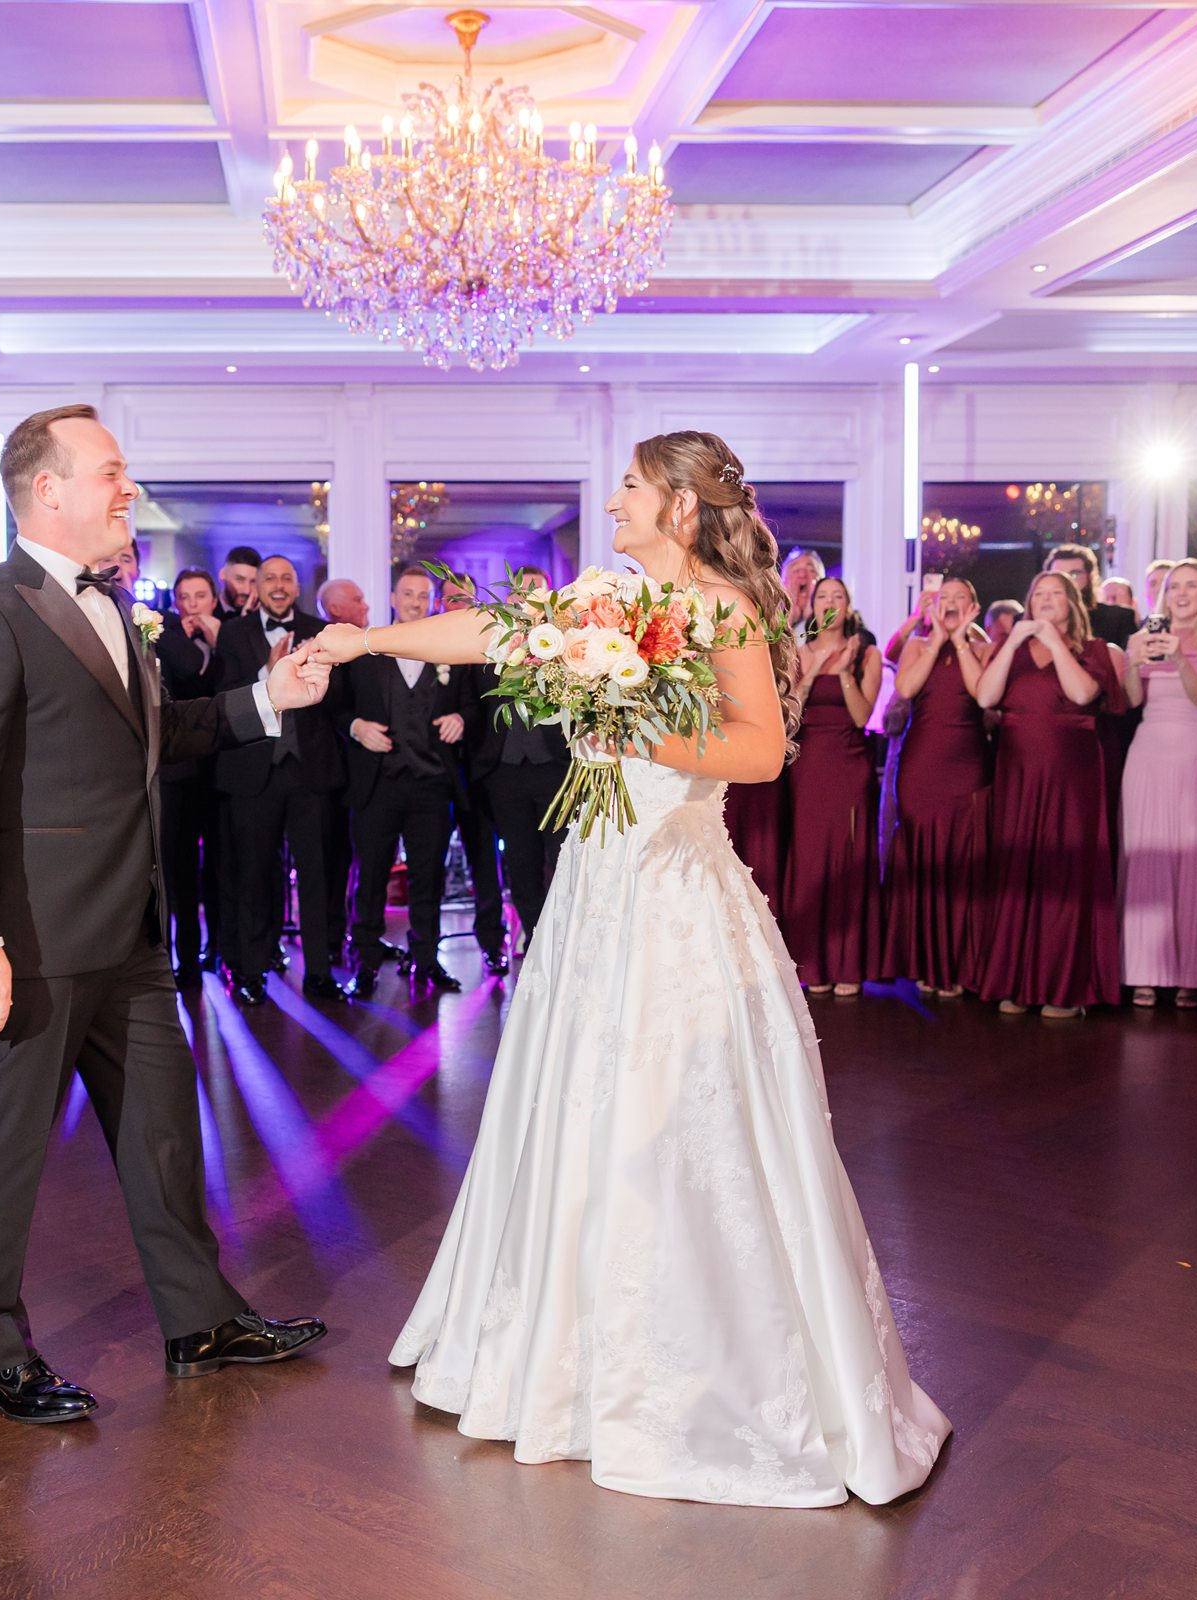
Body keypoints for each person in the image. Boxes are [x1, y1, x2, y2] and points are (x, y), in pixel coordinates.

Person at [313, 429, 948, 1508]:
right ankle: (554, 1346)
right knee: (575, 1097)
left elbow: (758, 753)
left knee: (674, 1108)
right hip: (595, 887)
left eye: (631, 487)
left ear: (682, 509)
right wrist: (364, 633)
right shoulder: (603, 596)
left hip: (676, 883)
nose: (612, 502)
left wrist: (636, 722)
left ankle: (687, 1372)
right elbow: (491, 632)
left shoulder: (726, 612)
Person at [0, 402, 331, 1427]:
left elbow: (157, 732)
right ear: (46, 488)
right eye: (111, 471)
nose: (127, 488)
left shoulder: (111, 603)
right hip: (36, 937)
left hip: (130, 929)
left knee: (161, 1130)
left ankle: (200, 1319)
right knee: (9, 1145)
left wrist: (268, 697)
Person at [972, 571, 1128, 1017]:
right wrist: (1015, 641)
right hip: (1018, 772)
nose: (1046, 600)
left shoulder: (1093, 650)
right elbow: (986, 697)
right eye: (1038, 594)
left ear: (1072, 603)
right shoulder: (1012, 649)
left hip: (1071, 774)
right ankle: (1016, 981)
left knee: (1064, 871)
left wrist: (1057, 642)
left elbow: (1081, 693)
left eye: (1056, 594)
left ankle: (1063, 987)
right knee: (1019, 869)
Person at [213, 554, 344, 1003]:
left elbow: (341, 699)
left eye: (287, 578)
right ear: (258, 587)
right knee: (253, 875)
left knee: (318, 876)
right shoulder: (233, 633)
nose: (279, 585)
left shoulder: (321, 631)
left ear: (296, 586)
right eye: (271, 578)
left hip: (310, 771)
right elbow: (222, 696)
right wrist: (269, 673)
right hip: (255, 772)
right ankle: (251, 972)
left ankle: (321, 973)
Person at [339, 566, 470, 997]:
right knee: (371, 877)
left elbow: (473, 703)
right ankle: (365, 963)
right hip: (378, 784)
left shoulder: (449, 650)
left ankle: (426, 961)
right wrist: (357, 726)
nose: (415, 601)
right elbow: (335, 708)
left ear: (431, 602)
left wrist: (460, 716)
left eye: (423, 595)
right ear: (393, 599)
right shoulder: (366, 651)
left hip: (432, 783)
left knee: (426, 877)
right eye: (407, 594)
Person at [1118, 560, 1197, 1008]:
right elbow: (1132, 700)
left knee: (1194, 860)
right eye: (1174, 587)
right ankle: (1143, 970)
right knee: (1146, 859)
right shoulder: (1143, 637)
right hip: (1147, 753)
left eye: (1192, 586)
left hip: (1194, 752)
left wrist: (1176, 656)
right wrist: (1132, 661)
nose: (1182, 594)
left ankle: (1191, 971)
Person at [880, 576, 992, 999]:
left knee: (964, 855)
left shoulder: (982, 647)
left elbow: (982, 695)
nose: (951, 603)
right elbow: (906, 688)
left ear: (973, 607)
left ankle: (963, 962)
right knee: (923, 853)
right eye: (945, 598)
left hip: (967, 761)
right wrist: (936, 638)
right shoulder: (918, 645)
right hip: (922, 761)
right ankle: (927, 961)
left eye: (961, 598)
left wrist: (960, 640)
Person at [783, 575, 882, 996]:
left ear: (848, 605)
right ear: (812, 604)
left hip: (849, 762)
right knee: (809, 858)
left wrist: (842, 674)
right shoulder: (796, 651)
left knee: (848, 855)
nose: (830, 602)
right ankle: (813, 962)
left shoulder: (867, 653)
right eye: (823, 596)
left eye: (837, 597)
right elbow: (788, 717)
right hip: (807, 765)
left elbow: (862, 717)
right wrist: (815, 671)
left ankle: (848, 963)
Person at [465, 570, 571, 943]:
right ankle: (533, 936)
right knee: (520, 864)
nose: (525, 598)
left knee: (563, 862)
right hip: (504, 774)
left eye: (534, 590)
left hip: (555, 771)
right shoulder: (485, 646)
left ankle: (563, 941)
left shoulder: (567, 642)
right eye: (519, 592)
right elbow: (472, 707)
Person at [155, 566, 227, 983]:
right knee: (177, 869)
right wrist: (184, 635)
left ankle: (215, 949)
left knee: (216, 867)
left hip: (220, 771)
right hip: (179, 770)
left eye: (201, 596)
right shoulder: (163, 630)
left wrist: (218, 642)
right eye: (185, 596)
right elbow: (186, 675)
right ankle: (181, 960)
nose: (193, 604)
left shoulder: (229, 635)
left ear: (214, 600)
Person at [438, 573, 510, 975]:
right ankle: (487, 939)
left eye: (466, 598)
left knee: (504, 863)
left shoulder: (494, 641)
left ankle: (507, 939)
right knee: (479, 862)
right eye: (451, 600)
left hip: (496, 770)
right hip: (451, 773)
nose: (460, 606)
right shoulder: (431, 648)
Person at [1048, 542, 1137, 648]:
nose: (1066, 580)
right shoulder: (1033, 619)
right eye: (1059, 574)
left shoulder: (1118, 618)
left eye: (1074, 574)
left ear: (1089, 577)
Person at [217, 545, 261, 616]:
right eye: (240, 579)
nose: (247, 590)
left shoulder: (263, 615)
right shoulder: (207, 611)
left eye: (253, 582)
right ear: (222, 574)